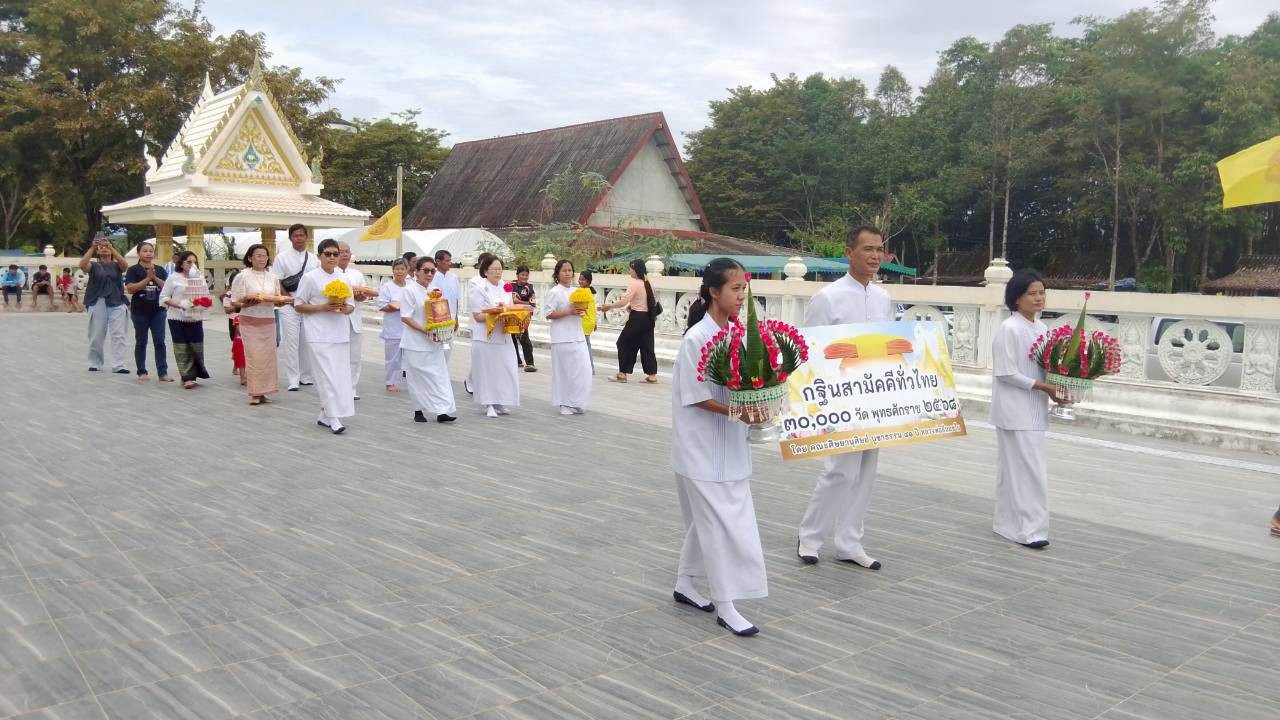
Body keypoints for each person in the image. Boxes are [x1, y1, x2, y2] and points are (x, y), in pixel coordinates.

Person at [671, 257, 767, 636]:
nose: (741, 296)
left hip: (730, 443)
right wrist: (740, 411)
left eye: (744, 289)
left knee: (705, 522)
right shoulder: (696, 338)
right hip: (700, 448)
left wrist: (760, 400)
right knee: (721, 526)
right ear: (714, 291)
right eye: (735, 289)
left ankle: (684, 583)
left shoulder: (738, 333)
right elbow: (694, 396)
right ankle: (727, 605)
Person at [796, 226, 892, 570]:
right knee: (839, 470)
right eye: (867, 249)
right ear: (848, 251)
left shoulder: (882, 298)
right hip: (840, 396)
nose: (875, 256)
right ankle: (810, 537)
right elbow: (809, 351)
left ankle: (850, 541)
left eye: (879, 249)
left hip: (875, 397)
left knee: (866, 470)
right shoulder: (828, 297)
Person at [992, 269, 1069, 549]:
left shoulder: (1042, 329)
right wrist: (1044, 387)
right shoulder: (1009, 329)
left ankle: (1005, 523)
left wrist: (1059, 389)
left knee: (1015, 470)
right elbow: (1006, 373)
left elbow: (1046, 368)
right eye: (1032, 293)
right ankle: (1031, 531)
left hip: (1035, 408)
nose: (1038, 298)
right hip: (1014, 409)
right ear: (1017, 299)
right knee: (1028, 471)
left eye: (1041, 292)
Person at [293, 238, 355, 434]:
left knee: (338, 377)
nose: (332, 257)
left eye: (335, 254)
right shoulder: (310, 277)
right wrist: (322, 307)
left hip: (340, 332)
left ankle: (325, 414)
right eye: (327, 254)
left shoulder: (344, 278)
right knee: (325, 376)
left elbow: (351, 304)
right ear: (319, 256)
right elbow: (298, 304)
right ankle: (334, 417)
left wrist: (345, 308)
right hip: (318, 333)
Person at [399, 257, 458, 424]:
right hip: (415, 342)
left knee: (439, 376)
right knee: (418, 378)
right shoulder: (409, 290)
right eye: (425, 270)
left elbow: (442, 314)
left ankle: (442, 410)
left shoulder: (436, 290)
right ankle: (418, 410)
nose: (429, 274)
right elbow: (406, 317)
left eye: (432, 271)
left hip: (434, 342)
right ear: (416, 271)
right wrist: (425, 330)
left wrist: (443, 329)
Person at [230, 243, 290, 405]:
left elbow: (277, 298)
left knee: (268, 358)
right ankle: (255, 393)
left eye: (264, 256)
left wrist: (283, 302)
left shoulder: (272, 277)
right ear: (250, 258)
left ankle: (265, 392)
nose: (262, 259)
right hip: (249, 320)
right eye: (258, 255)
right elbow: (234, 301)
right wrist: (248, 303)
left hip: (268, 320)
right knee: (254, 356)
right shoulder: (242, 276)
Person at [470, 254, 526, 417]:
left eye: (500, 269)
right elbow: (477, 316)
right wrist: (496, 313)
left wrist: (510, 311)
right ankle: (489, 404)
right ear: (485, 271)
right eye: (494, 269)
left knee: (505, 368)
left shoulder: (505, 287)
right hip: (485, 337)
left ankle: (501, 400)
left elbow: (510, 307)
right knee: (488, 371)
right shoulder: (479, 287)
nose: (497, 272)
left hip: (503, 335)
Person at [274, 224, 318, 391]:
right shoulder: (282, 257)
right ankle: (293, 379)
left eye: (302, 235)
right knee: (291, 342)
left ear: (306, 237)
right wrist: (289, 300)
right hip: (288, 305)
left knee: (307, 341)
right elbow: (278, 280)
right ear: (290, 238)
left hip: (308, 306)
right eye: (296, 235)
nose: (299, 238)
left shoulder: (314, 259)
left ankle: (306, 376)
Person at [599, 258, 658, 384]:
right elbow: (648, 301)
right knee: (647, 345)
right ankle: (652, 375)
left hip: (637, 319)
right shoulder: (648, 283)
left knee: (623, 343)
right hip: (648, 319)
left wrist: (609, 306)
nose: (629, 271)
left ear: (636, 270)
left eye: (631, 268)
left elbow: (625, 300)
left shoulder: (635, 283)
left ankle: (622, 374)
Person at [158, 251, 211, 389]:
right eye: (189, 262)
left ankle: (191, 375)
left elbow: (206, 297)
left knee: (196, 346)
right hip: (177, 317)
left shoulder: (200, 279)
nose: (192, 265)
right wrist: (180, 304)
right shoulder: (173, 278)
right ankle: (186, 377)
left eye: (194, 262)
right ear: (181, 263)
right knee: (182, 347)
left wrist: (201, 304)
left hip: (195, 317)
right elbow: (164, 297)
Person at [545, 259, 591, 415]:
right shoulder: (554, 292)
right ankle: (564, 403)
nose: (567, 273)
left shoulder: (577, 292)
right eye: (564, 270)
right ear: (558, 273)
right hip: (561, 337)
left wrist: (581, 311)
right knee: (564, 372)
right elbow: (548, 314)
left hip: (578, 336)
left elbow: (582, 309)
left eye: (570, 270)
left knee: (583, 370)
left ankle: (577, 401)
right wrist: (568, 312)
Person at [79, 233, 130, 373]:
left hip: (117, 301)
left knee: (119, 334)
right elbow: (82, 265)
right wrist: (92, 248)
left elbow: (125, 266)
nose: (104, 249)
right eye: (101, 247)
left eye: (106, 246)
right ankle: (95, 362)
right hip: (98, 301)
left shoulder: (116, 265)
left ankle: (119, 365)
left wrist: (112, 248)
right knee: (96, 335)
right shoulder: (94, 265)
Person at [123, 242, 171, 382]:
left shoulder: (160, 270)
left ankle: (162, 372)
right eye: (145, 251)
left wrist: (154, 277)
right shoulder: (133, 270)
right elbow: (131, 289)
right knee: (141, 342)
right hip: (140, 311)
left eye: (151, 251)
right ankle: (141, 371)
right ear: (139, 253)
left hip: (158, 311)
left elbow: (167, 287)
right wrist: (147, 278)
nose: (148, 253)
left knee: (160, 342)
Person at [337, 241, 375, 400]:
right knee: (339, 357)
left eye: (347, 251)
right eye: (341, 252)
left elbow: (363, 295)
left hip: (355, 320)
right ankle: (339, 388)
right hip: (337, 320)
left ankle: (352, 388)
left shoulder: (357, 274)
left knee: (354, 356)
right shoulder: (332, 274)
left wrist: (361, 295)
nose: (345, 254)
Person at [461, 252, 496, 396]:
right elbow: (476, 305)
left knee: (489, 357)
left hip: (495, 323)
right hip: (479, 323)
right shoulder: (475, 281)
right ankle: (471, 381)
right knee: (479, 356)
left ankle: (482, 383)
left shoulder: (497, 281)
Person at [376, 258, 410, 393]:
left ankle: (412, 381)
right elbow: (381, 305)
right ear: (393, 270)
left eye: (402, 269)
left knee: (410, 357)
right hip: (393, 327)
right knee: (393, 358)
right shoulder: (387, 287)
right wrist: (394, 307)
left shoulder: (411, 286)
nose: (400, 272)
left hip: (409, 327)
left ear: (407, 270)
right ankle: (390, 382)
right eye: (397, 269)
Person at [510, 264, 537, 372]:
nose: (524, 277)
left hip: (524, 317)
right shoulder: (510, 285)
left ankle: (530, 363)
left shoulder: (530, 288)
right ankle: (517, 361)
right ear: (517, 275)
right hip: (511, 316)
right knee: (512, 339)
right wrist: (525, 303)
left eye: (526, 275)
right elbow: (508, 299)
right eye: (522, 275)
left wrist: (519, 302)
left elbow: (533, 304)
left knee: (524, 339)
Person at [578, 270, 597, 374]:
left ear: (588, 281)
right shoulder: (590, 292)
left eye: (583, 280)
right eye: (579, 279)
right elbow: (593, 309)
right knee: (587, 345)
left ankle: (590, 368)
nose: (580, 281)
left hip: (584, 321)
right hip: (589, 321)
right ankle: (589, 368)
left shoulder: (583, 292)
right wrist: (595, 322)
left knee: (585, 346)